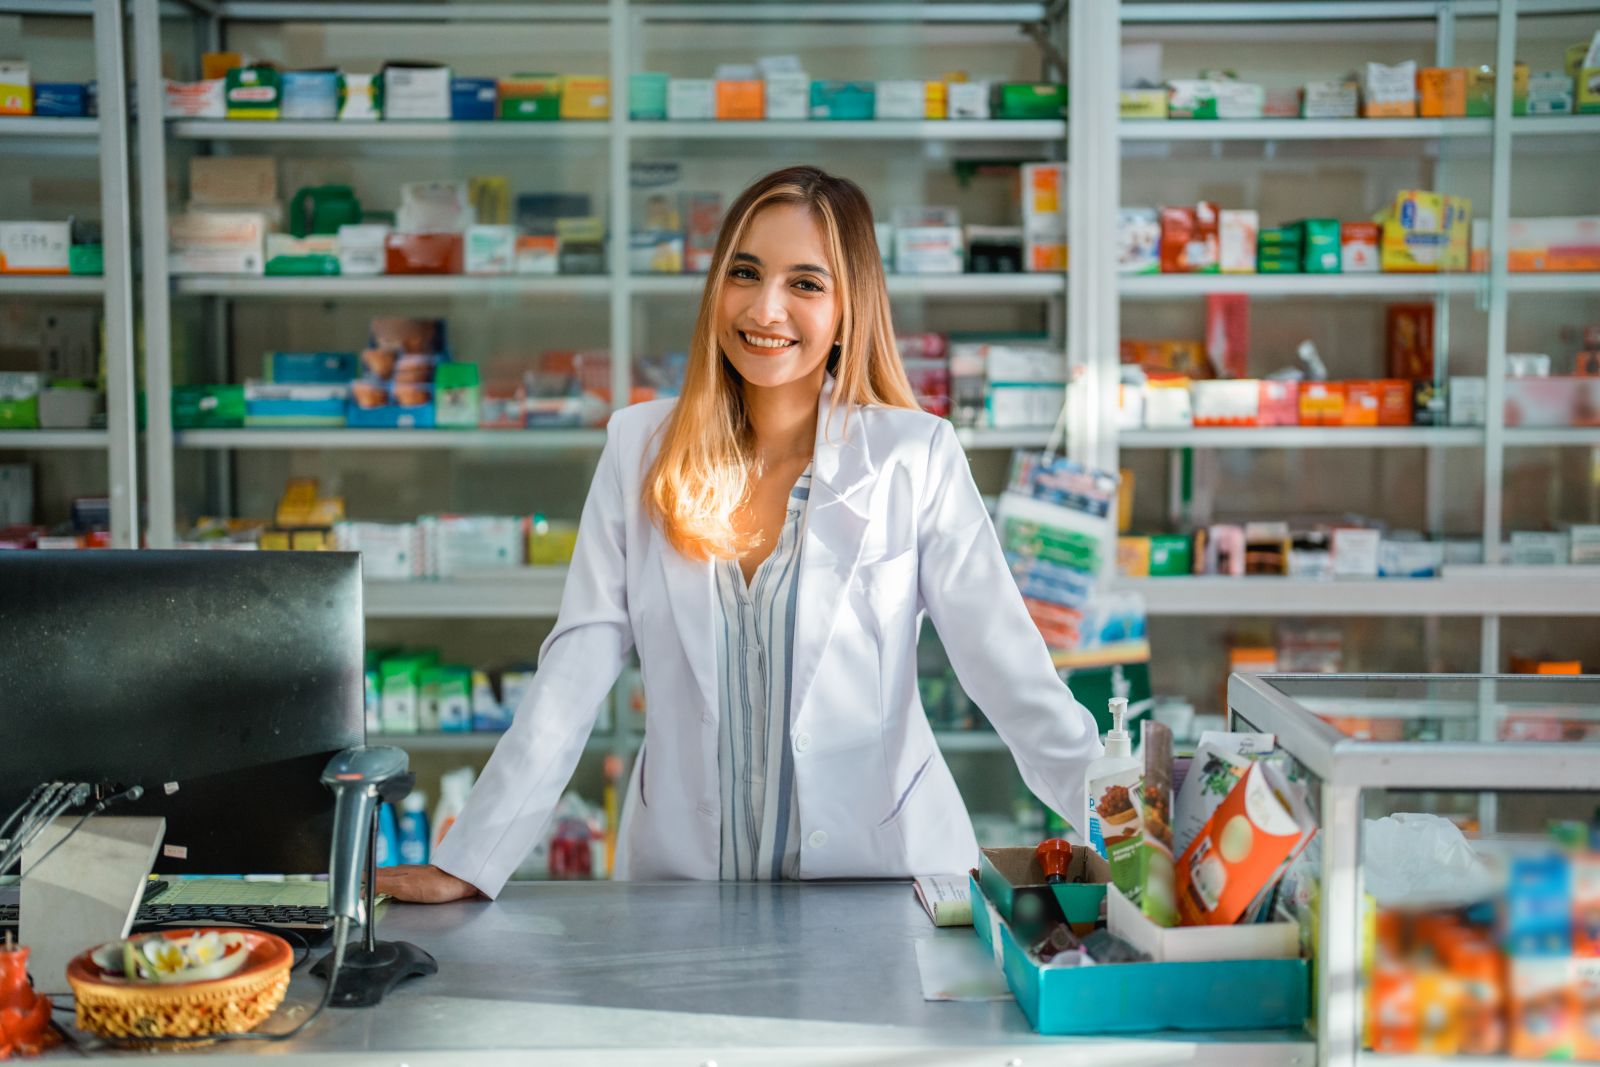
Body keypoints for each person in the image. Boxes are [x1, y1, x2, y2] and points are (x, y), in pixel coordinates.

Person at [377, 165, 1102, 903]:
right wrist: (471, 857)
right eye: (745, 272)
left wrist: (1124, 828)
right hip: (687, 893)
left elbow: (1008, 668)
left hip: (882, 883)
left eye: (806, 284)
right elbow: (575, 665)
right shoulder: (640, 448)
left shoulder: (914, 456)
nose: (765, 308)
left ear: (850, 309)